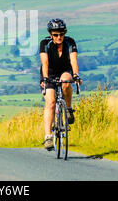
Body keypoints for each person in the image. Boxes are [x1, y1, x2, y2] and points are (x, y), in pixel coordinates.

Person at [39, 18, 82, 151]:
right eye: (56, 34)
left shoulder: (70, 42)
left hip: (65, 70)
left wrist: (75, 75)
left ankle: (68, 109)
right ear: (51, 34)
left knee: (65, 82)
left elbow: (74, 60)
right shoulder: (45, 43)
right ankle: (48, 137)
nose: (59, 37)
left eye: (61, 34)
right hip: (49, 73)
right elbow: (44, 63)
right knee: (51, 103)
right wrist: (45, 79)